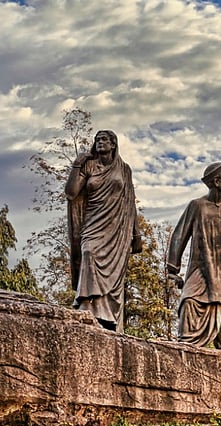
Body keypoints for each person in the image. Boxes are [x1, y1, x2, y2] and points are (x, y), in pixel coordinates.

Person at [66, 130, 142, 332]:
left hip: (118, 227)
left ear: (113, 144)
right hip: (93, 222)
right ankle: (86, 307)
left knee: (115, 272)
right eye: (97, 140)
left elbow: (130, 200)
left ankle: (108, 316)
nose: (100, 143)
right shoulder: (89, 165)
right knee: (89, 253)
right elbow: (71, 192)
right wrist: (76, 164)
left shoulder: (124, 169)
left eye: (104, 140)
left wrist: (137, 233)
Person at [167, 161, 221, 348]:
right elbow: (179, 235)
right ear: (216, 181)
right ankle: (187, 346)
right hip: (202, 267)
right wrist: (172, 269)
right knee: (190, 300)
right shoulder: (197, 205)